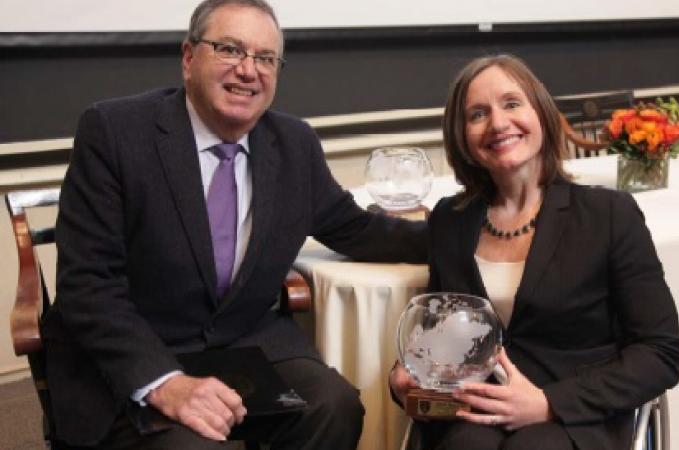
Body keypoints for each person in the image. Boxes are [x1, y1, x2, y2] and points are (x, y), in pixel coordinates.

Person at [44, 0, 426, 448]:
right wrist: (165, 383)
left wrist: (469, 229)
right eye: (229, 49)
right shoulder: (114, 132)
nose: (249, 70)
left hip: (243, 342)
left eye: (266, 58)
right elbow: (88, 286)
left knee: (334, 405)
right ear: (188, 58)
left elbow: (356, 229)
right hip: (138, 351)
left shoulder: (294, 144)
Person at [389, 54, 679, 450]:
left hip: (577, 416)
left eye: (512, 104)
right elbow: (442, 329)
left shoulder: (609, 215)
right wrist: (407, 373)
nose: (498, 123)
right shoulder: (451, 219)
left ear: (541, 114)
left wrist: (548, 402)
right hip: (476, 412)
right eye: (478, 114)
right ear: (462, 136)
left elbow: (661, 352)